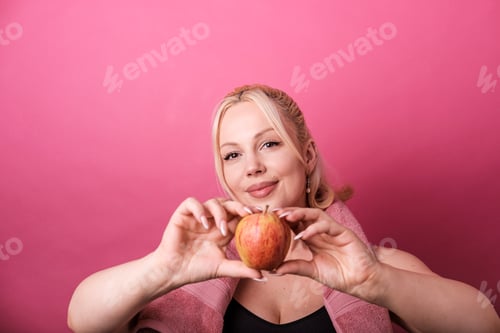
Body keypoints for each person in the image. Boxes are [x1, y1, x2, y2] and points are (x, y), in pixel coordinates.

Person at [67, 84, 500, 333]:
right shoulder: (195, 269)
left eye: (269, 144)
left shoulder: (375, 265)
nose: (252, 167)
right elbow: (83, 322)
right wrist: (162, 270)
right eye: (232, 155)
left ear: (307, 155)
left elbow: (483, 325)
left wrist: (375, 280)